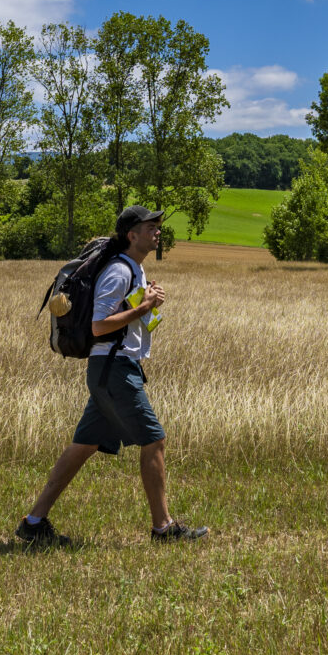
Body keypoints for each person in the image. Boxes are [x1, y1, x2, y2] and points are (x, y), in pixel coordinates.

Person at [17, 204, 209, 546]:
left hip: (111, 369)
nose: (157, 232)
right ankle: (163, 528)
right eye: (151, 227)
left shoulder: (131, 268)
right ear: (131, 235)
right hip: (114, 369)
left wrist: (146, 305)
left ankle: (33, 523)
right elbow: (98, 325)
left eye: (157, 227)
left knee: (82, 447)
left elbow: (122, 316)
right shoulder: (120, 271)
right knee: (154, 440)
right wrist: (144, 306)